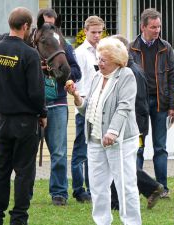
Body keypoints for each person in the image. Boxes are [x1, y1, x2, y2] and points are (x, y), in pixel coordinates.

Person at [65, 37, 142, 225]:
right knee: (98, 187)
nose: (99, 63)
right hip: (95, 138)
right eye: (99, 59)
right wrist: (76, 97)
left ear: (116, 60)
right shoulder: (98, 76)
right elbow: (89, 106)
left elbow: (124, 106)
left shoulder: (126, 75)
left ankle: (131, 222)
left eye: (103, 60)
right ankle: (101, 222)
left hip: (120, 140)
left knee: (125, 185)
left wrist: (113, 131)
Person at [0, 7, 47, 225]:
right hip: (24, 121)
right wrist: (43, 113)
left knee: (0, 171)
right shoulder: (29, 54)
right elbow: (36, 92)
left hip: (1, 120)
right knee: (24, 172)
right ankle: (19, 219)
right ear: (26, 27)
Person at [111, 34, 164, 210]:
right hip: (130, 125)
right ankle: (117, 200)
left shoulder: (132, 72)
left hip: (133, 126)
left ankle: (151, 188)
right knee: (119, 162)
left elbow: (138, 103)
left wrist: (138, 130)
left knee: (123, 163)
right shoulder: (128, 69)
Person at [129, 8, 174, 198]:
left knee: (160, 147)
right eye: (153, 27)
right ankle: (139, 187)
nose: (157, 30)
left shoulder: (166, 47)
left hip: (160, 104)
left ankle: (162, 187)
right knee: (138, 146)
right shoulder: (130, 48)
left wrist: (173, 106)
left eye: (159, 27)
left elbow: (172, 77)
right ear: (143, 27)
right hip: (138, 105)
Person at [37, 8, 81, 206]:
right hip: (34, 106)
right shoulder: (30, 46)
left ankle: (59, 193)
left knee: (59, 152)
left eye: (52, 25)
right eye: (45, 24)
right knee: (27, 152)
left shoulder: (65, 45)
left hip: (58, 103)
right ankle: (26, 192)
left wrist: (67, 76)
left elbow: (76, 70)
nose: (48, 28)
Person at [71, 15, 104, 203]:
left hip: (100, 108)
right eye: (93, 32)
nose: (97, 36)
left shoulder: (103, 51)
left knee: (94, 150)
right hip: (85, 107)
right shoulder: (80, 53)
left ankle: (93, 187)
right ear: (85, 32)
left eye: (100, 32)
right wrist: (82, 104)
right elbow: (79, 82)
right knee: (81, 150)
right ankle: (78, 188)